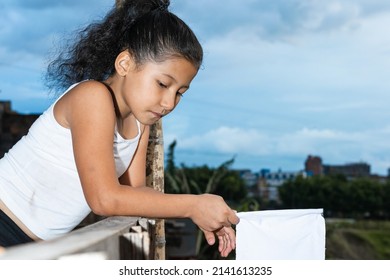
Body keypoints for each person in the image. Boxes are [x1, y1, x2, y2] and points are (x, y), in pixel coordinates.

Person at [0, 0, 239, 257]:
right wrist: (193, 206)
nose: (169, 103)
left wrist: (203, 212)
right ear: (124, 64)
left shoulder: (139, 123)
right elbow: (104, 199)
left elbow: (134, 194)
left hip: (31, 246)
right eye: (162, 84)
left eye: (180, 92)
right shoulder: (91, 97)